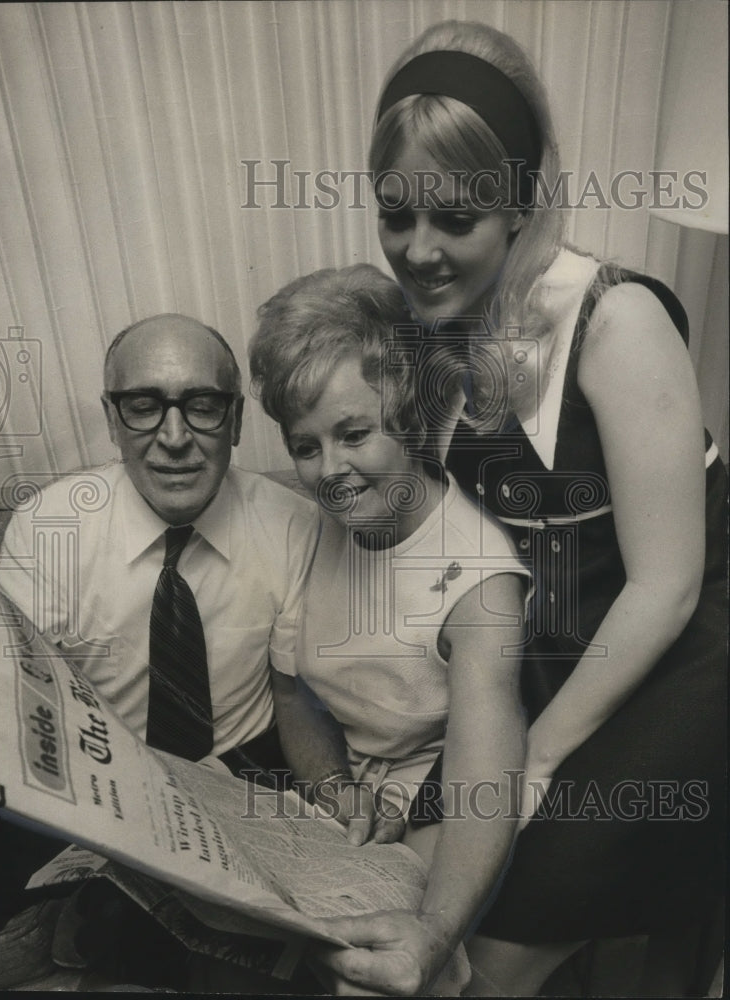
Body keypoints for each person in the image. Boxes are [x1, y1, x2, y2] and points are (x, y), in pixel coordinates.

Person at [313, 20, 727, 996]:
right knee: (407, 880)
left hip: (688, 649)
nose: (418, 251)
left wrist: (535, 760)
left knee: (494, 948)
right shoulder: (433, 331)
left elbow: (666, 589)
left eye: (454, 219)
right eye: (395, 215)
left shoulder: (615, 323)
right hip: (553, 647)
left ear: (520, 204)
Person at [0, 312, 319, 990]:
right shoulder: (48, 529)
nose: (174, 438)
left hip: (239, 774)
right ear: (111, 417)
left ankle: (126, 930)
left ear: (238, 419)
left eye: (202, 405)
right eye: (143, 406)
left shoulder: (295, 526)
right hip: (85, 783)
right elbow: (19, 721)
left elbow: (300, 693)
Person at [249, 263, 533, 995]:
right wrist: (336, 789)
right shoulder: (318, 528)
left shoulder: (480, 577)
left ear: (406, 411)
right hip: (342, 816)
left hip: (441, 826)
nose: (329, 471)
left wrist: (433, 933)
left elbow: (485, 783)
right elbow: (294, 696)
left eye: (352, 434)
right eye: (306, 446)